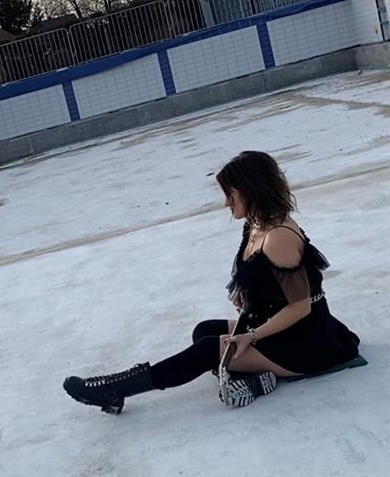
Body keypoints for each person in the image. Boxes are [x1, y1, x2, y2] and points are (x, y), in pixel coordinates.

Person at [63, 151, 360, 413]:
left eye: (230, 194)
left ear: (250, 190)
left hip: (305, 343)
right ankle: (258, 379)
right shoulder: (256, 224)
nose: (226, 202)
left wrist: (251, 337)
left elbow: (299, 307)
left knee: (208, 350)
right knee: (204, 331)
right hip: (281, 329)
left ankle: (116, 390)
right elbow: (261, 275)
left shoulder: (278, 236)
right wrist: (248, 294)